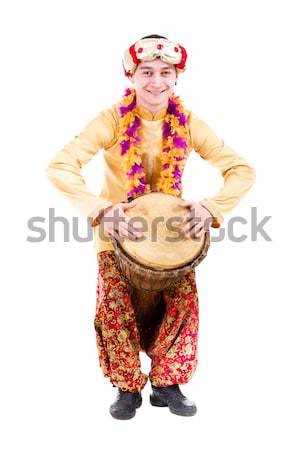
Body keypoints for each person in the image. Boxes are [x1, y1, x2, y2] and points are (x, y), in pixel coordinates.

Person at [45, 34, 256, 420]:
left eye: (165, 72)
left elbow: (241, 170)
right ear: (132, 76)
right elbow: (60, 165)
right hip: (117, 234)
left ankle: (166, 384)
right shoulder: (111, 120)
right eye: (146, 72)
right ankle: (127, 388)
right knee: (114, 308)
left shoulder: (189, 123)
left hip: (175, 239)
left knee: (184, 306)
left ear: (177, 79)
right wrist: (100, 209)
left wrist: (212, 207)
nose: (156, 81)